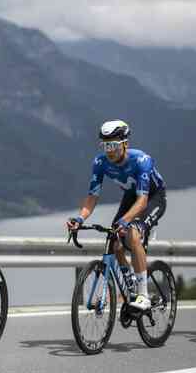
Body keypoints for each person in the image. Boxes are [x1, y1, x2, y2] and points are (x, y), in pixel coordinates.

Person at [66, 120, 167, 310]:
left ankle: (143, 294)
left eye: (112, 145)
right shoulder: (100, 162)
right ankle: (131, 288)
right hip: (131, 196)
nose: (109, 150)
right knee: (114, 241)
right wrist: (80, 219)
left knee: (133, 233)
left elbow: (143, 201)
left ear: (125, 144)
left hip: (152, 197)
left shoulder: (141, 160)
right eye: (105, 145)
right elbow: (92, 197)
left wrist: (125, 221)